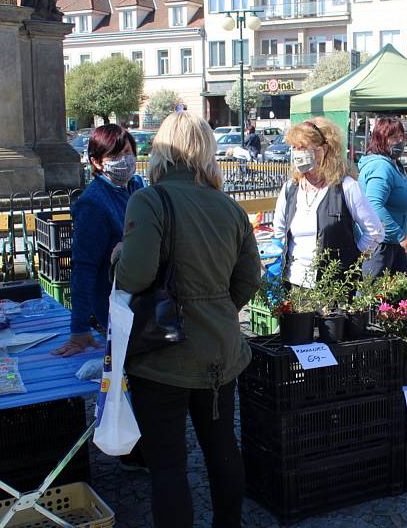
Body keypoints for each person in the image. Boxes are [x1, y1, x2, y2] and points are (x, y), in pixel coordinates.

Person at [114, 112, 261, 528]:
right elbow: (250, 277)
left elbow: (136, 275)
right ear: (207, 150)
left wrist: (119, 257)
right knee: (222, 450)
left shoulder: (149, 199)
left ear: (160, 149)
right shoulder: (229, 206)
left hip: (163, 357)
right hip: (220, 351)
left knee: (168, 466)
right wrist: (215, 309)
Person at [53, 124, 144, 358]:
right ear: (96, 162)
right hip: (118, 305)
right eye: (115, 155)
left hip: (143, 298)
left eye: (128, 153)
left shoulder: (137, 187)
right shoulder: (93, 203)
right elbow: (84, 268)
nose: (125, 160)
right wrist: (79, 329)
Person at [272, 117, 383, 287]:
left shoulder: (346, 187)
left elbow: (374, 231)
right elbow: (280, 232)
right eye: (294, 147)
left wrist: (352, 260)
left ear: (323, 150)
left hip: (334, 290)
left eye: (302, 147)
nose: (297, 153)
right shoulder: (289, 189)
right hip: (294, 285)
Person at [357, 117, 407, 277]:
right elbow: (373, 205)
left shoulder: (394, 164)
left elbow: (394, 203)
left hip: (394, 244)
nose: (399, 142)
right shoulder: (381, 167)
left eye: (401, 136)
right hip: (381, 247)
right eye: (393, 138)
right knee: (375, 298)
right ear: (380, 140)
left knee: (399, 298)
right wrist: (400, 235)